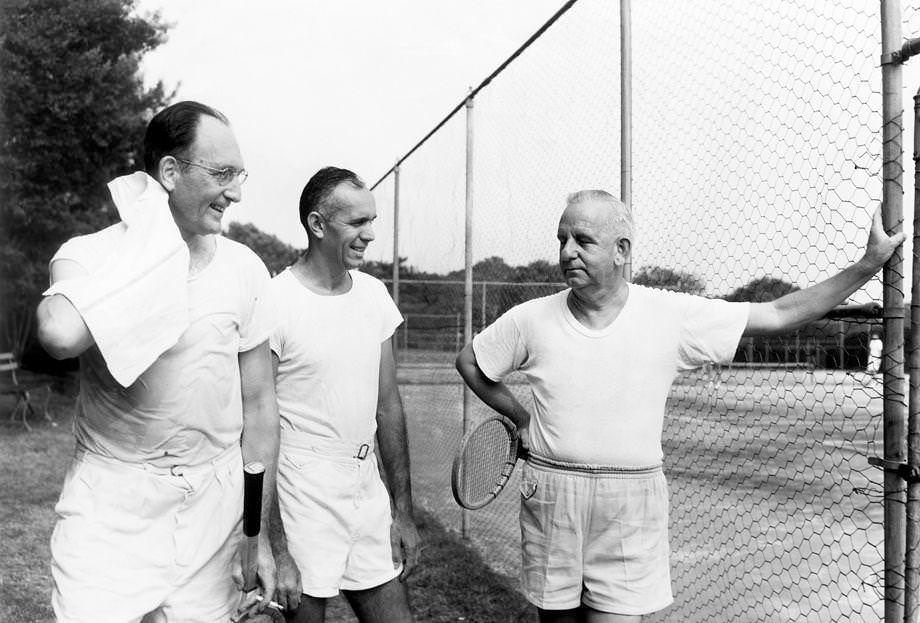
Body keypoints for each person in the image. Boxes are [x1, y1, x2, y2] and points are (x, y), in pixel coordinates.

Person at [455, 189, 902, 623]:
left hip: (630, 504)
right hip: (552, 493)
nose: (568, 251)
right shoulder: (530, 318)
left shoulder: (670, 314)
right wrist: (521, 418)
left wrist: (867, 265)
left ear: (621, 250)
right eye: (562, 240)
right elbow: (472, 362)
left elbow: (780, 313)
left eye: (583, 240)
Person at [36, 101, 279, 623]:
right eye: (221, 174)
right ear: (168, 172)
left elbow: (259, 408)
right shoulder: (89, 255)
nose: (235, 191)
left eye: (239, 174)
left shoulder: (245, 269)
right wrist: (154, 244)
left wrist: (255, 535)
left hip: (213, 508)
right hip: (111, 503)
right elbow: (59, 334)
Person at [268, 167, 420, 623]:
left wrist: (404, 513)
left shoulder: (374, 295)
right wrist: (276, 548)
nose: (370, 234)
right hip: (301, 491)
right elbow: (256, 428)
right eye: (356, 223)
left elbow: (388, 406)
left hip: (365, 487)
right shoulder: (275, 300)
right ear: (317, 225)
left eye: (371, 221)